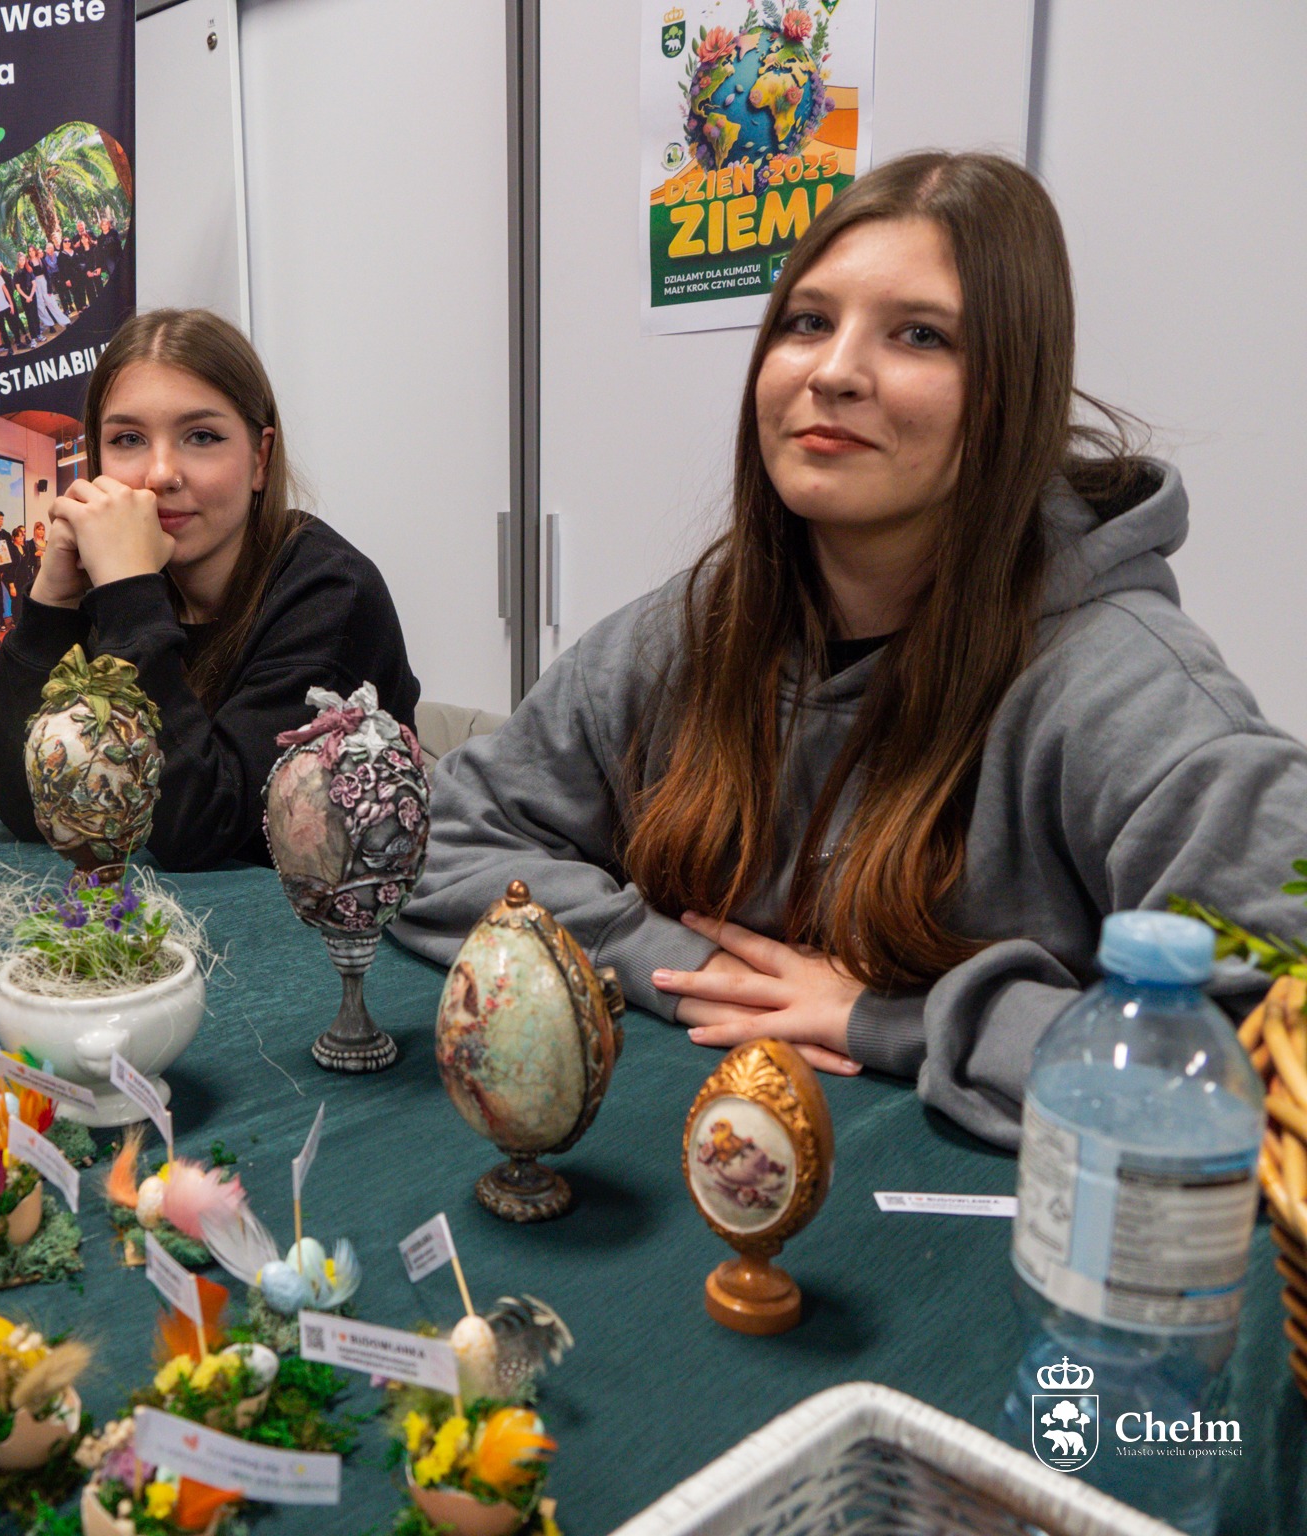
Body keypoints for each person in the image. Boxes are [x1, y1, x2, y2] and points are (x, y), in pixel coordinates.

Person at [393, 151, 1307, 1149]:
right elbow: (436, 844)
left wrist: (901, 1017)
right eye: (806, 322)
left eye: (920, 334)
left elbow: (1274, 1063)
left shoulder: (1136, 699)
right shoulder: (688, 631)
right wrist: (671, 962)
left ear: (1013, 391)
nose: (832, 373)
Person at [0, 307, 420, 870]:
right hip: (149, 917)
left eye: (201, 437)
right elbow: (25, 805)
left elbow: (209, 827)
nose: (160, 473)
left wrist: (129, 595)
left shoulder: (332, 592)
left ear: (259, 458)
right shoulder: (117, 580)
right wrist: (53, 604)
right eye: (129, 439)